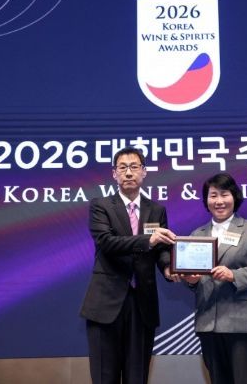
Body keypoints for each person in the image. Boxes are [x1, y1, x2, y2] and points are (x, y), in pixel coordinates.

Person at [80, 146, 179, 384]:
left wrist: (168, 267)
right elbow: (107, 242)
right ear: (114, 173)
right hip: (106, 303)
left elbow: (161, 250)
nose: (128, 173)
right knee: (105, 377)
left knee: (137, 377)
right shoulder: (101, 205)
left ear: (144, 172)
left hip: (142, 305)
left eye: (134, 167)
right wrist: (148, 240)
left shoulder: (157, 210)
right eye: (122, 167)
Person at [182, 173, 247, 384]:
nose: (219, 201)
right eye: (213, 195)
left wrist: (234, 275)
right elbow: (196, 278)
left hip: (243, 323)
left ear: (234, 197)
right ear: (206, 200)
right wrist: (192, 281)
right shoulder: (197, 235)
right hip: (209, 324)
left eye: (224, 194)